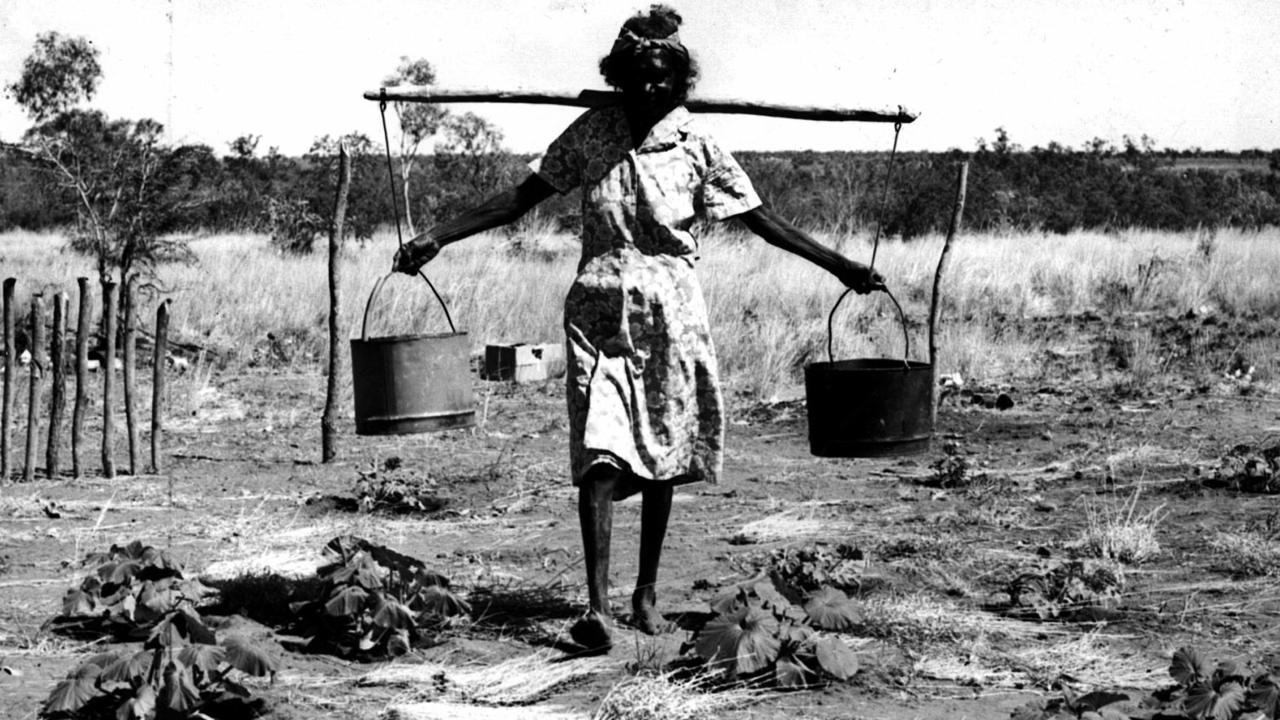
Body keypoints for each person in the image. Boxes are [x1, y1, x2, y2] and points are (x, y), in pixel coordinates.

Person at [393, 4, 884, 653]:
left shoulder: (697, 147)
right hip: (596, 309)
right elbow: (519, 200)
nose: (651, 89)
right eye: (639, 77)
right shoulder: (593, 135)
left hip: (670, 313)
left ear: (679, 82)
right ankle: (597, 608)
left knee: (659, 456)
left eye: (663, 79)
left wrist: (842, 266)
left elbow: (766, 223)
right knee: (599, 453)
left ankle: (645, 594)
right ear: (620, 76)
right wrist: (437, 237)